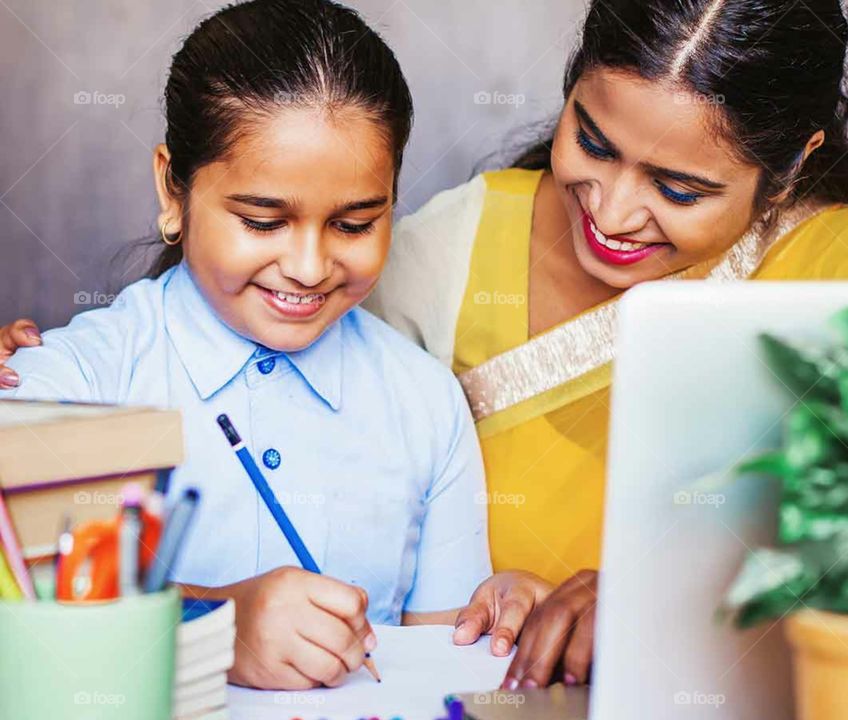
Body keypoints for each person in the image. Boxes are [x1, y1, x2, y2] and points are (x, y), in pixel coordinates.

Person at [0, 0, 848, 692]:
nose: (609, 209)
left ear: (790, 165)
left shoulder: (416, 398)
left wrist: (518, 617)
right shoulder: (104, 370)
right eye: (593, 143)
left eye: (678, 187)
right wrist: (204, 621)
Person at [0, 0, 549, 691]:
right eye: (263, 221)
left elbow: (441, 667)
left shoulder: (426, 403)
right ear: (173, 190)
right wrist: (212, 625)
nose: (309, 266)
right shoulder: (64, 389)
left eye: (354, 224)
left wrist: (495, 629)